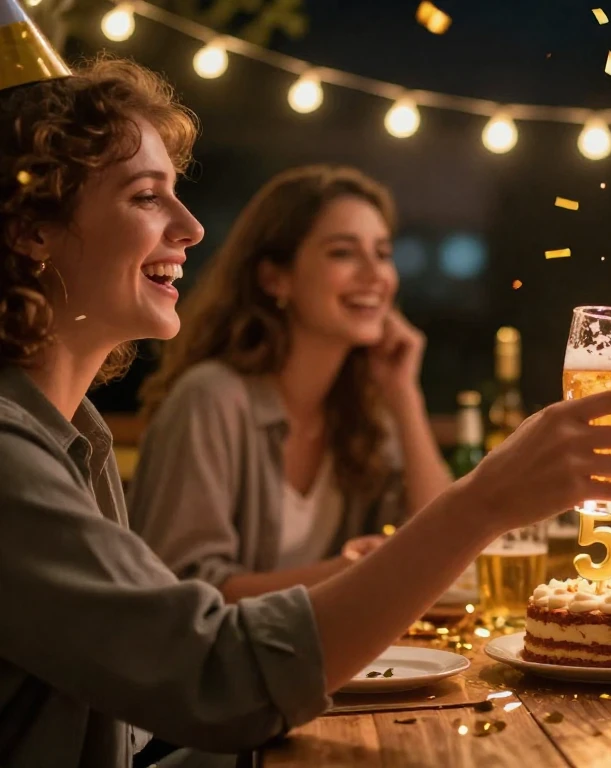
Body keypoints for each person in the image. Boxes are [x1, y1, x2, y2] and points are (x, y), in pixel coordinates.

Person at [0, 38, 611, 768]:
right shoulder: (16, 452)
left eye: (383, 251)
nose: (190, 229)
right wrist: (486, 500)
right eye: (145, 196)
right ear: (31, 230)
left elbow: (132, 729)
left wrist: (408, 404)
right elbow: (213, 676)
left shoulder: (75, 435)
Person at [130, 165, 450, 601]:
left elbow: (445, 547)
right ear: (274, 278)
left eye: (383, 253)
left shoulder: (364, 409)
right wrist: (352, 571)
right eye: (343, 253)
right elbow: (181, 589)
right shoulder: (211, 398)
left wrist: (404, 395)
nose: (375, 275)